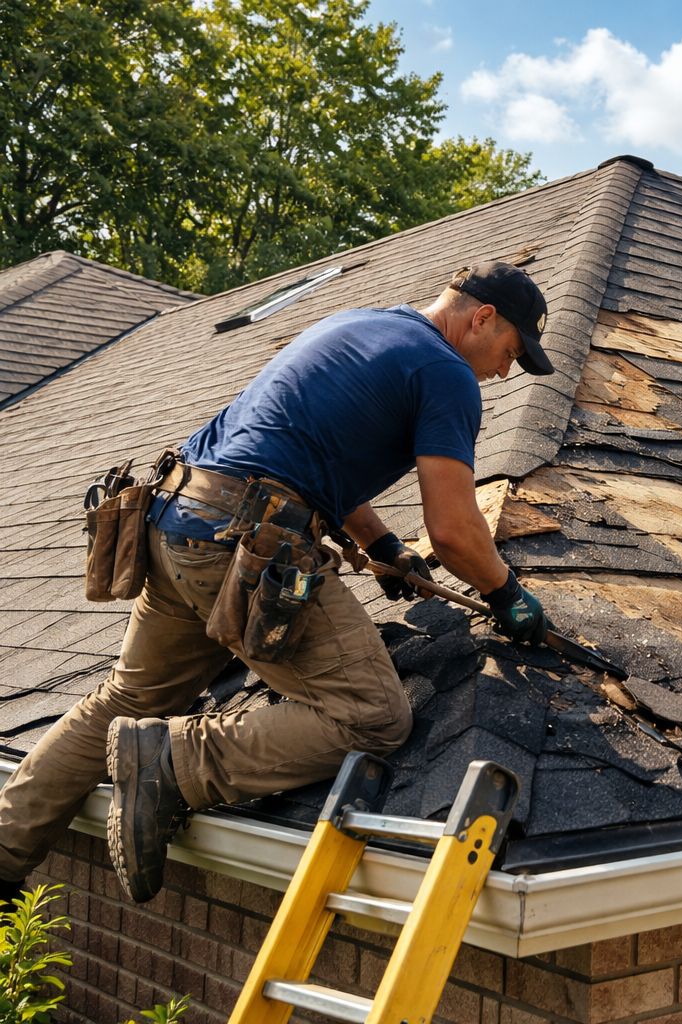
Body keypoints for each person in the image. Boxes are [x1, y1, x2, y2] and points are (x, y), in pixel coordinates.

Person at [0, 262, 551, 905]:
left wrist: (381, 543)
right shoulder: (446, 372)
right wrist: (506, 593)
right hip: (239, 544)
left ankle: (4, 860)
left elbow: (299, 450)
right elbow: (456, 529)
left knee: (125, 699)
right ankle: (168, 761)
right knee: (372, 718)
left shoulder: (359, 324)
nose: (505, 372)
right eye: (511, 351)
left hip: (172, 524)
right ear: (482, 316)